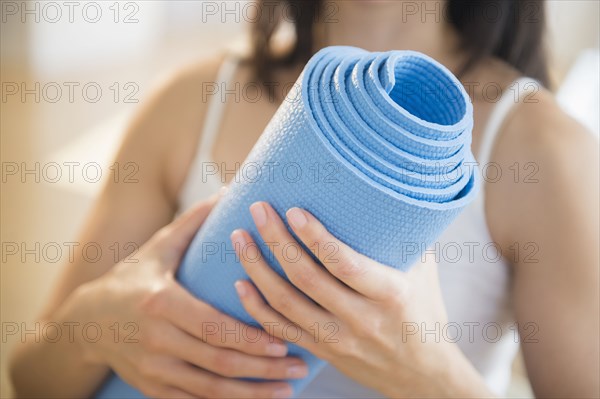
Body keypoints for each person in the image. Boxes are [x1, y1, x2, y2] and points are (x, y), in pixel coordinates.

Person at [10, 1, 599, 398]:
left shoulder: (545, 153)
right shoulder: (187, 104)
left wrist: (428, 378)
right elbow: (30, 376)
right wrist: (97, 327)